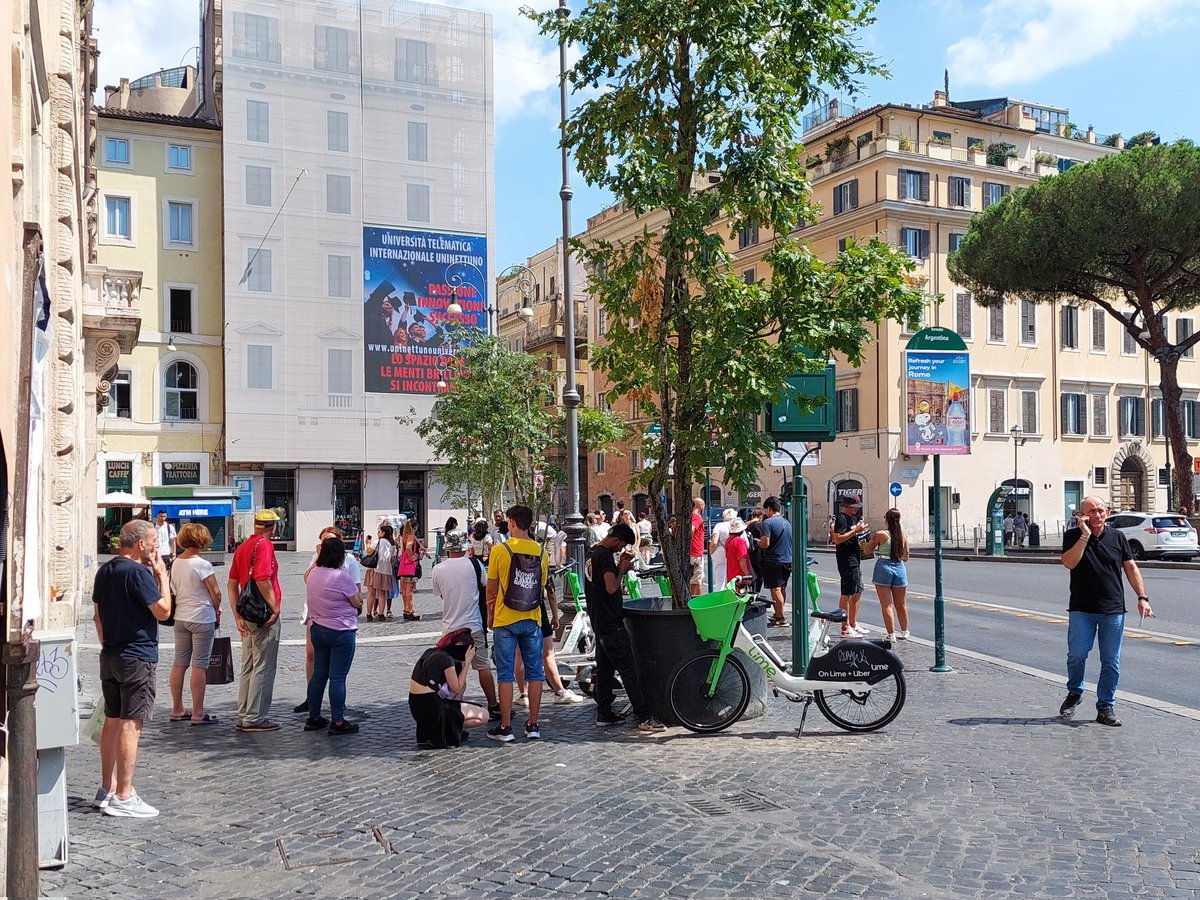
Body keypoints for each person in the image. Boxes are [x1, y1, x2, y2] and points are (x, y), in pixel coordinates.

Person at [92, 520, 173, 817]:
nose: (156, 546)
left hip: (111, 654)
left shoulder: (105, 570)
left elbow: (97, 616)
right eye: (153, 540)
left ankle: (108, 787)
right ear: (140, 544)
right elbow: (164, 611)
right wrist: (162, 576)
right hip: (136, 656)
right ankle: (124, 796)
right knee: (131, 723)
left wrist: (108, 644)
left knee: (112, 720)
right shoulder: (139, 573)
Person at [1059, 495, 1151, 727]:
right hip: (1082, 608)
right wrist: (1084, 535)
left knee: (1111, 661)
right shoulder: (1073, 536)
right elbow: (1069, 562)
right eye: (1091, 511)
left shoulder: (1118, 537)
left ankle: (1105, 706)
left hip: (1113, 609)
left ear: (1107, 513)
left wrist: (1142, 598)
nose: (1097, 515)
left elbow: (1131, 568)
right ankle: (1075, 692)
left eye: (1100, 510)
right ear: (1082, 515)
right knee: (1077, 654)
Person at [586, 522, 666, 733]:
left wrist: (619, 565)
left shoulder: (592, 552)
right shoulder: (604, 555)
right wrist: (622, 568)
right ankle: (644, 716)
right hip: (611, 623)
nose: (621, 549)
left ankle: (604, 713)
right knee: (629, 672)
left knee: (604, 671)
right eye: (621, 545)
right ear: (616, 539)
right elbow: (611, 587)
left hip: (599, 622)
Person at [485, 505, 550, 742]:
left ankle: (505, 727)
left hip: (505, 619)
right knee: (535, 673)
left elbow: (491, 589)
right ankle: (533, 725)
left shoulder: (500, 550)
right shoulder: (542, 552)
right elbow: (541, 586)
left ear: (511, 523)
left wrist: (490, 615)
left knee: (505, 674)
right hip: (532, 618)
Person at [226, 510, 283, 733]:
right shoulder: (265, 546)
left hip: (248, 613)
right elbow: (262, 578)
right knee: (263, 665)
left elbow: (232, 584)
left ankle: (244, 714)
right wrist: (275, 608)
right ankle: (255, 716)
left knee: (248, 665)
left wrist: (237, 615)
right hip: (263, 614)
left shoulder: (242, 547)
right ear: (273, 527)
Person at [296, 526, 363, 715]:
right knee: (337, 677)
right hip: (340, 629)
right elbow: (357, 599)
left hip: (318, 626)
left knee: (319, 674)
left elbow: (307, 579)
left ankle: (314, 716)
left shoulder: (315, 574)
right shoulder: (341, 576)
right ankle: (338, 719)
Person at [433, 529, 499, 717]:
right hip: (473, 626)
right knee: (483, 666)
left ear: (447, 548)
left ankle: (451, 705)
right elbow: (485, 586)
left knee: (452, 668)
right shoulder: (475, 565)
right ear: (465, 547)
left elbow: (441, 595)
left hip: (450, 628)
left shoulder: (438, 569)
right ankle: (493, 704)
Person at [167, 523, 222, 725]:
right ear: (202, 540)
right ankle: (198, 712)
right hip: (201, 617)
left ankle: (177, 708)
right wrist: (217, 609)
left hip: (181, 617)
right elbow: (215, 593)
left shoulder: (176, 563)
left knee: (179, 663)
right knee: (199, 665)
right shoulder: (202, 564)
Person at [408, 628, 489, 748]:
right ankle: (449, 729)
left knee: (462, 686)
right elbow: (457, 688)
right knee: (483, 715)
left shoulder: (432, 652)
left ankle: (447, 726)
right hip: (433, 710)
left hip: (417, 706)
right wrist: (467, 662)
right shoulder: (446, 659)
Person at [865, 509, 910, 642]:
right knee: (901, 604)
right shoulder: (903, 535)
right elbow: (906, 556)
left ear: (886, 519)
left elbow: (867, 550)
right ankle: (905, 631)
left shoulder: (880, 534)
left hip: (883, 566)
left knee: (886, 604)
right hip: (899, 567)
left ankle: (891, 634)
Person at [830, 497, 869, 637]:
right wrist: (855, 531)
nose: (857, 508)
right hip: (847, 559)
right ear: (847, 506)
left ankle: (853, 623)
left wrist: (861, 533)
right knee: (847, 592)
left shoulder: (851, 519)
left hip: (854, 558)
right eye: (854, 506)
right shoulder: (841, 518)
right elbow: (837, 539)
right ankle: (845, 627)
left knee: (857, 591)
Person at [757, 497, 792, 627]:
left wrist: (758, 542)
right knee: (782, 588)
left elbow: (765, 543)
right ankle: (778, 613)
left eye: (766, 510)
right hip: (787, 559)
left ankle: (780, 617)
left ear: (769, 509)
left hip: (773, 560)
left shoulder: (767, 523)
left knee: (775, 589)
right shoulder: (787, 522)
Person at [397, 520, 427, 620]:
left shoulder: (404, 536)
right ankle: (409, 610)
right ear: (414, 528)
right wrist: (411, 557)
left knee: (404, 589)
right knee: (409, 589)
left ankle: (406, 609)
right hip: (409, 564)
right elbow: (409, 547)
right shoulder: (410, 536)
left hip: (403, 563)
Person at [365, 522, 395, 621]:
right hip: (386, 570)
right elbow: (393, 559)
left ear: (383, 533)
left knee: (371, 593)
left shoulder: (377, 542)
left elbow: (369, 552)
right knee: (382, 593)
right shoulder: (391, 545)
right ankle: (381, 613)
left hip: (374, 569)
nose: (377, 533)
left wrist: (367, 543)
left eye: (379, 531)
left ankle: (369, 613)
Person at [709, 508, 735, 589]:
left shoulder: (719, 526)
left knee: (720, 580)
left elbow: (714, 542)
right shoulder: (737, 525)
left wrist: (711, 552)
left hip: (720, 552)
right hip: (733, 552)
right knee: (733, 579)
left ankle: (720, 594)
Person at [745, 508, 766, 596]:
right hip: (758, 552)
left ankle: (751, 590)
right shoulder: (760, 525)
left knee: (751, 571)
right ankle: (756, 591)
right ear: (760, 516)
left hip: (747, 551)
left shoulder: (745, 525)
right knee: (759, 573)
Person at [689, 497, 706, 597]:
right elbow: (692, 529)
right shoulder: (697, 517)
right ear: (701, 506)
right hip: (696, 551)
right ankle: (697, 601)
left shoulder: (690, 516)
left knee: (693, 579)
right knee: (698, 580)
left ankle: (690, 599)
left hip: (692, 551)